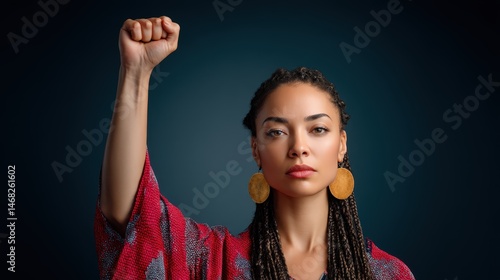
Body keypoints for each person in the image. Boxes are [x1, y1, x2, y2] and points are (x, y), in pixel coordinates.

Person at [94, 16, 415, 280]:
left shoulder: (388, 274)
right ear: (256, 149)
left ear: (341, 144)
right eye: (276, 132)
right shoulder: (211, 258)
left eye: (317, 129)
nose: (298, 147)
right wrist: (136, 75)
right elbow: (131, 214)